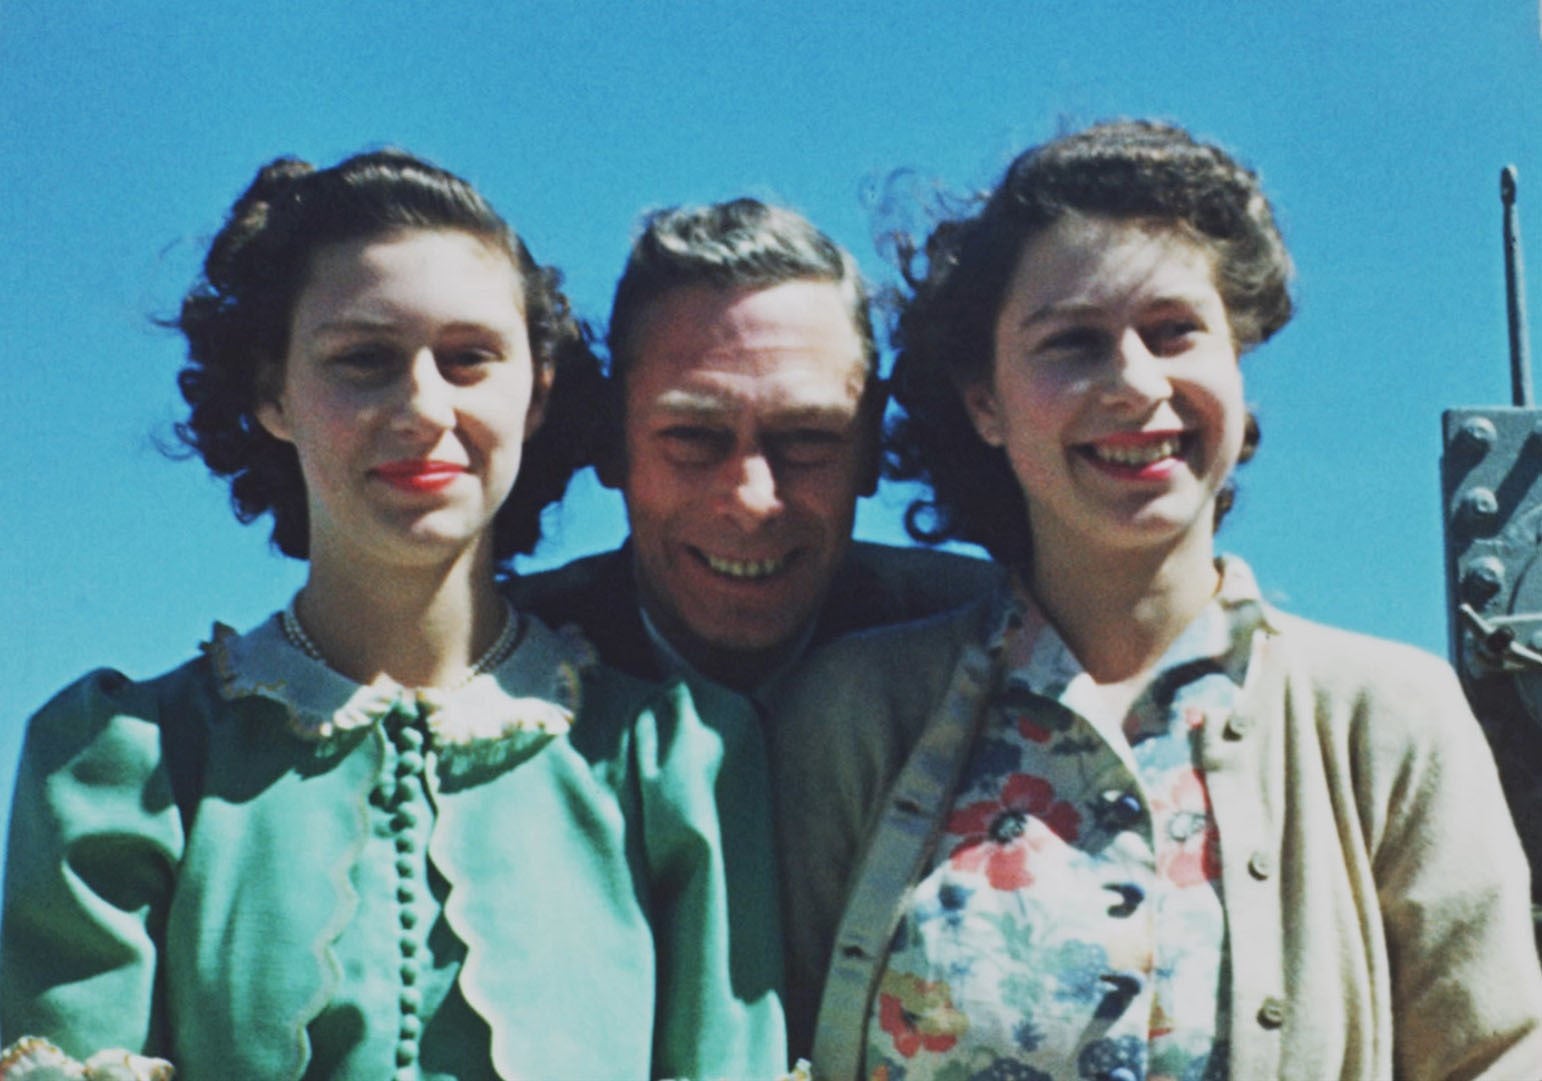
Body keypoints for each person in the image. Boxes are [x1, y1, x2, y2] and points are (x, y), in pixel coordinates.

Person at [773, 120, 1542, 1079]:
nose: (1136, 382)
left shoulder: (1389, 718)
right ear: (986, 403)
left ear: (1236, 359)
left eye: (1174, 331)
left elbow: (1497, 1055)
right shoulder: (854, 716)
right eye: (1073, 343)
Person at [1, 150, 786, 1079]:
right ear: (271, 393)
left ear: (535, 390)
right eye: (364, 360)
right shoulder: (126, 764)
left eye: (469, 359)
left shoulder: (677, 765)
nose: (422, 407)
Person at [506, 198, 1000, 696]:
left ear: (871, 444)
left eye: (807, 438)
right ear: (611, 442)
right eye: (693, 437)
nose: (752, 501)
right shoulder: (495, 664)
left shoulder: (1000, 644)